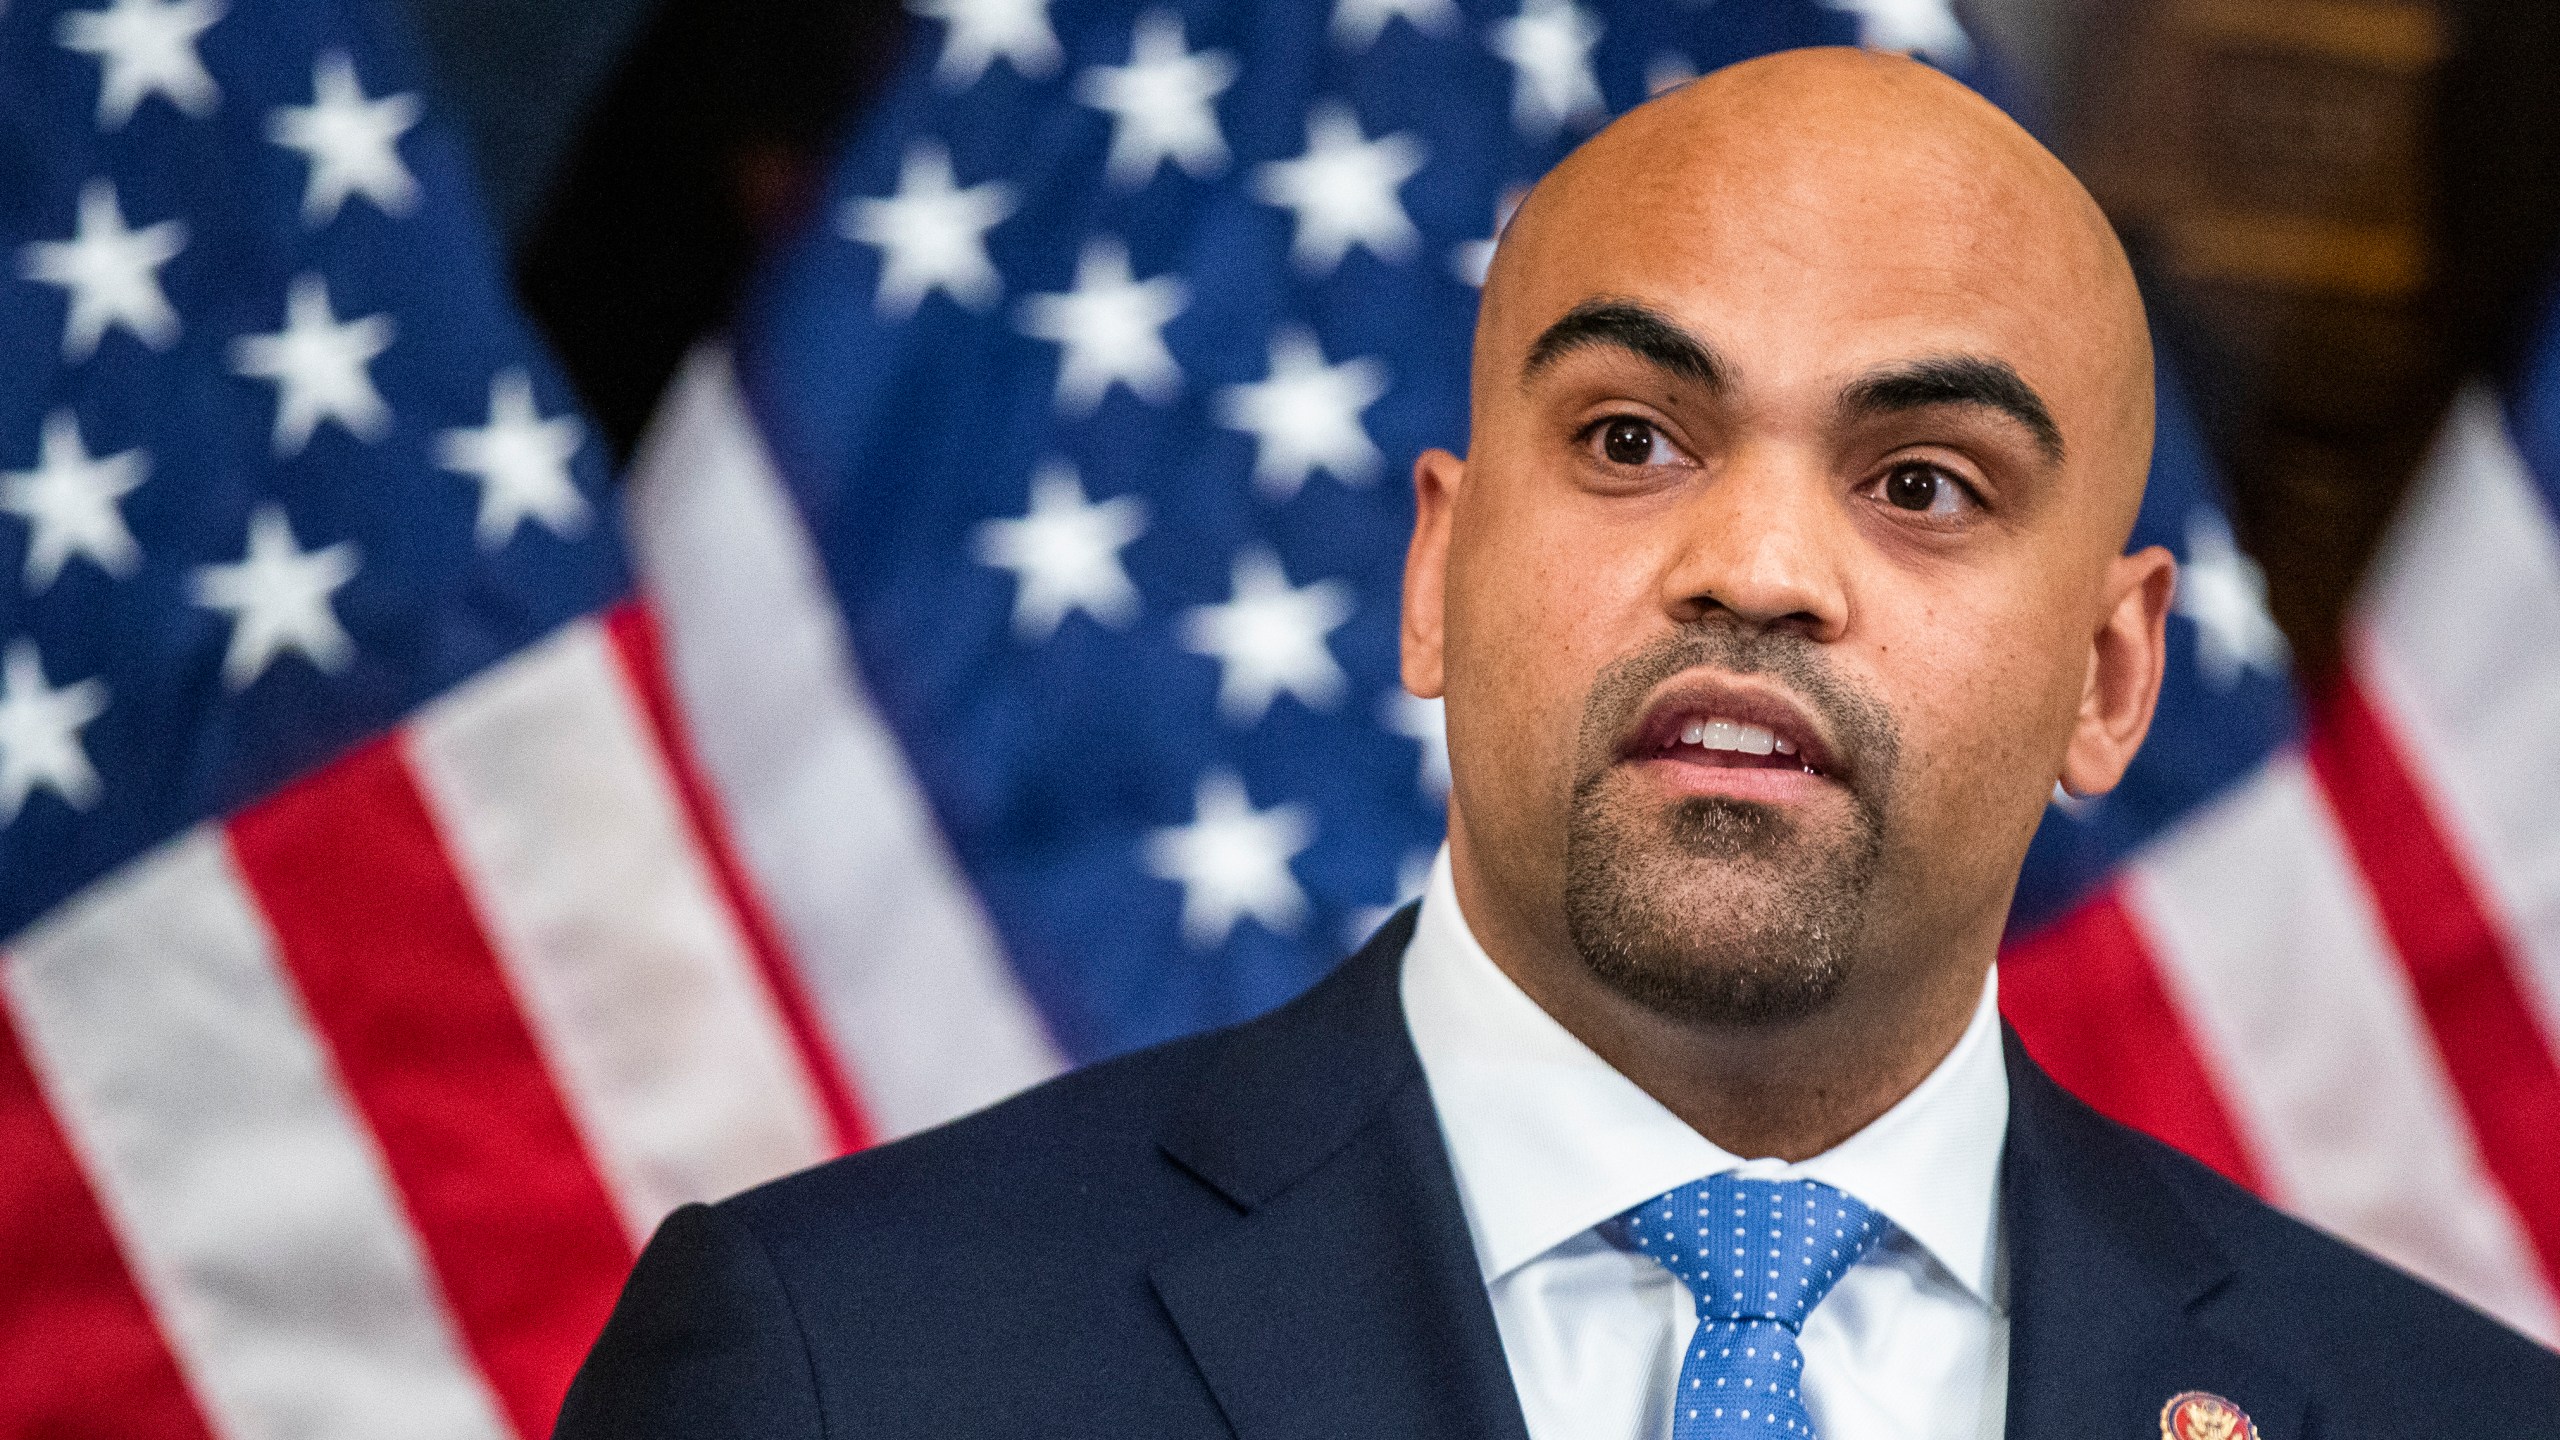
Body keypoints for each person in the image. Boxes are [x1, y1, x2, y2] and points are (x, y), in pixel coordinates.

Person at [554, 48, 2560, 1439]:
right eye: (1630, 440)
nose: (1758, 565)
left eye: (1924, 481)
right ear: (1433, 572)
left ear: (2111, 679)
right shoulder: (840, 1370)